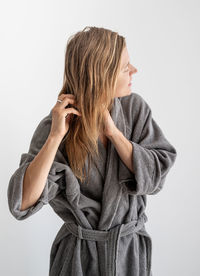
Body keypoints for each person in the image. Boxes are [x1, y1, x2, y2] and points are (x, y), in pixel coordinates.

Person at [7, 26, 177, 276]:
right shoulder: (56, 126)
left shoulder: (135, 111)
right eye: (124, 67)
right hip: (78, 260)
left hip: (128, 256)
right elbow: (21, 203)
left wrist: (114, 133)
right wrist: (55, 137)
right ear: (101, 75)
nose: (134, 71)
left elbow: (156, 177)